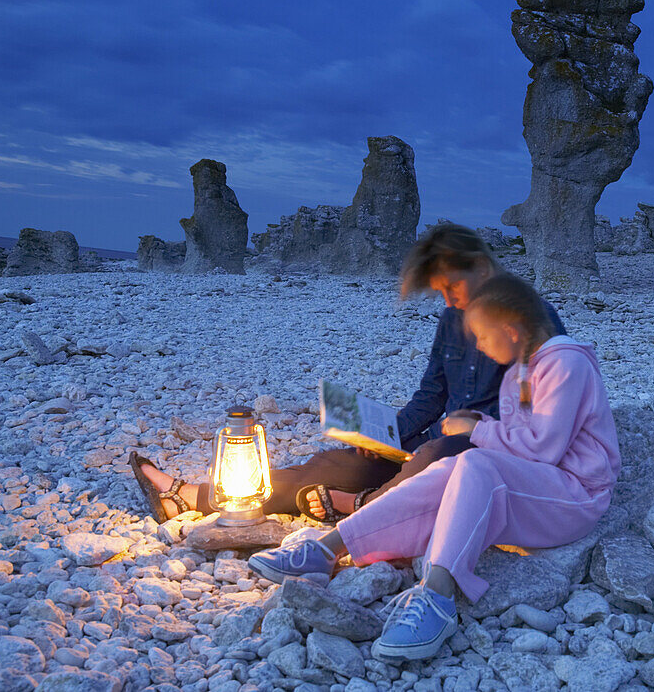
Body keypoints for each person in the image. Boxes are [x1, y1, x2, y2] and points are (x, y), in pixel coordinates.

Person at [246, 273, 621, 661]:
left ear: (510, 329)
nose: (477, 344)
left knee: (474, 463)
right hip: (540, 490)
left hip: (576, 496)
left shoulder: (565, 364)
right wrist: (483, 424)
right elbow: (520, 439)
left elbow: (543, 449)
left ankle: (438, 596)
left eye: (482, 335)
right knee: (448, 471)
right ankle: (327, 549)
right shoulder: (520, 371)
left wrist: (478, 430)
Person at [129, 224, 566, 523]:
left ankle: (361, 510)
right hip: (438, 438)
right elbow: (431, 395)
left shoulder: (532, 322)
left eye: (452, 288)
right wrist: (385, 436)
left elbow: (537, 427)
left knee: (429, 461)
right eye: (441, 292)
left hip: (484, 454)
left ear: (484, 270)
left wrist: (465, 433)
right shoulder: (452, 320)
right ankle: (191, 496)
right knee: (340, 462)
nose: (449, 301)